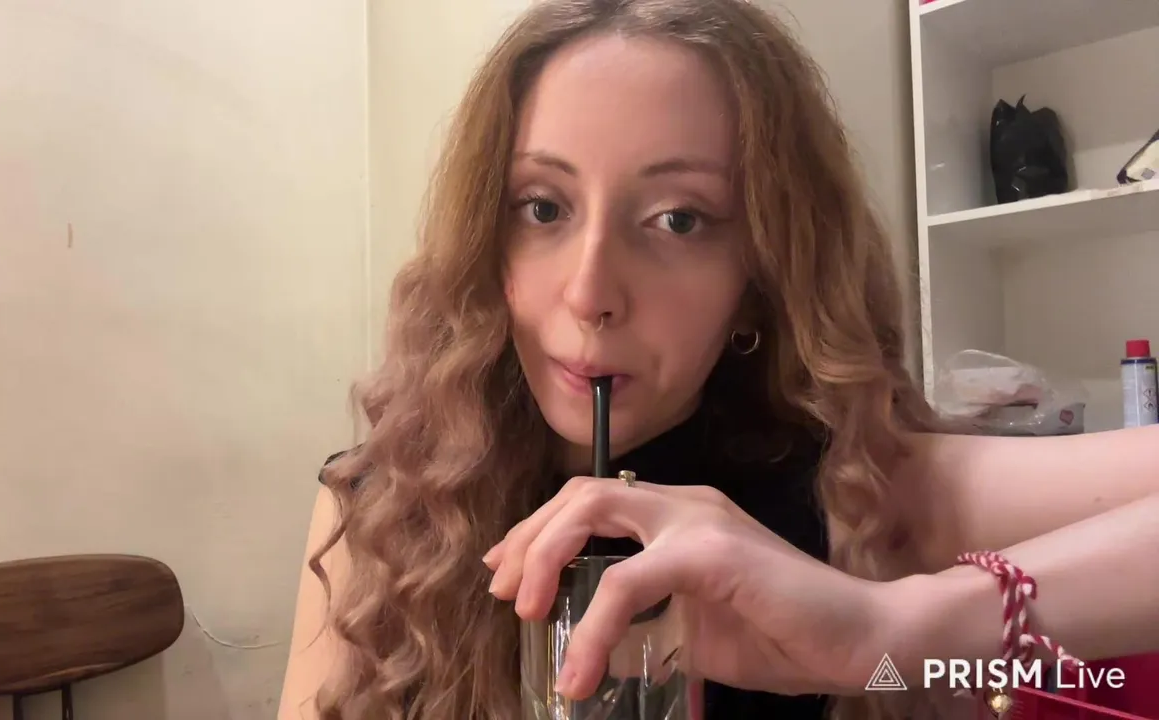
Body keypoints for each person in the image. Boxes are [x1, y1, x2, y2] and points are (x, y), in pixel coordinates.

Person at [278, 1, 1159, 719]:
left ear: (758, 274)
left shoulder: (860, 491)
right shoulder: (383, 504)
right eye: (542, 207)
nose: (590, 293)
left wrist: (891, 630)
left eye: (679, 219)